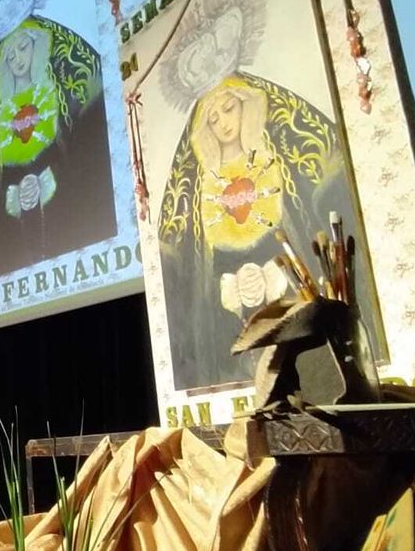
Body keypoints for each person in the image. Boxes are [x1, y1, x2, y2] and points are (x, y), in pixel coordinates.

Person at [156, 71, 375, 389]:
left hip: (290, 299)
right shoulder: (196, 188)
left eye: (229, 109)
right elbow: (190, 268)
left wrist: (274, 276)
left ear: (247, 105)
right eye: (213, 120)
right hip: (237, 317)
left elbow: (309, 221)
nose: (223, 124)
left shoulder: (281, 156)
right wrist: (229, 289)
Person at [0, 14, 117, 285]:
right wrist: (11, 200)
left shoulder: (61, 93)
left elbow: (90, 152)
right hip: (10, 252)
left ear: (37, 46)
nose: (18, 59)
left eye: (23, 47)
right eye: (10, 55)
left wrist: (53, 180)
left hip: (72, 226)